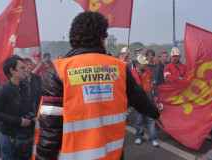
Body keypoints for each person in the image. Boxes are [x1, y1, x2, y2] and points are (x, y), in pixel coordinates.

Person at [34, 11, 163, 160]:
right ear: (101, 38)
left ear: (73, 37)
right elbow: (138, 98)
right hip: (112, 155)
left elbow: (50, 129)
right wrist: (155, 113)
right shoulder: (119, 67)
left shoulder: (58, 70)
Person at [0, 56, 35, 160]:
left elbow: (31, 105)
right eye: (22, 68)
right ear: (12, 70)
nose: (26, 70)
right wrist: (18, 120)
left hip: (26, 136)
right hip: (10, 138)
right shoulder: (1, 91)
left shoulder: (26, 86)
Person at [131, 56, 159, 147]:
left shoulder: (149, 72)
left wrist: (156, 96)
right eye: (144, 64)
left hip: (148, 99)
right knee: (139, 119)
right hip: (137, 100)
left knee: (151, 119)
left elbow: (154, 85)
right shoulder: (131, 73)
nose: (146, 65)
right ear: (138, 64)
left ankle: (153, 138)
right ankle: (139, 136)